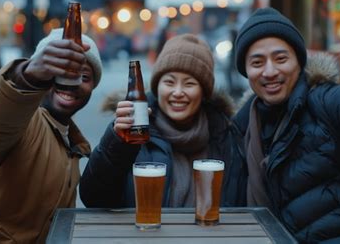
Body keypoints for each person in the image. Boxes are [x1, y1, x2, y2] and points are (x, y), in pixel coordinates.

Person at [232, 7, 340, 243]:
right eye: (257, 62)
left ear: (298, 61)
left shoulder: (325, 102)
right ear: (246, 71)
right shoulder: (243, 129)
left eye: (281, 58)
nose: (270, 71)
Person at [0, 28, 103, 243]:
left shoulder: (73, 143)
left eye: (84, 76)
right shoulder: (20, 120)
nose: (70, 82)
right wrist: (27, 76)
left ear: (93, 87)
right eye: (59, 71)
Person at [79, 34, 247, 208]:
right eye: (169, 82)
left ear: (204, 93)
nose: (178, 92)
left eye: (189, 84)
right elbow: (93, 198)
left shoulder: (225, 136)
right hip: (144, 234)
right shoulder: (133, 132)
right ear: (157, 87)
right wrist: (115, 143)